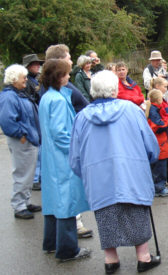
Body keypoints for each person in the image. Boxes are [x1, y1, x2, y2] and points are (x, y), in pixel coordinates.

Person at [69, 70, 161, 274]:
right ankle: (143, 257)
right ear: (114, 89)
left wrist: (85, 174)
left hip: (99, 179)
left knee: (106, 215)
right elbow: (150, 145)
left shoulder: (81, 117)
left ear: (92, 91)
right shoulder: (131, 110)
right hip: (132, 173)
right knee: (136, 211)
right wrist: (150, 160)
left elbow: (75, 158)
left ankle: (111, 260)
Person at [39, 59, 91, 261]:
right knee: (67, 202)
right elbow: (61, 133)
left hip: (50, 156)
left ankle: (51, 243)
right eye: (66, 74)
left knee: (53, 200)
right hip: (62, 157)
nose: (69, 77)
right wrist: (75, 152)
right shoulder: (59, 100)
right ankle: (68, 250)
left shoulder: (47, 97)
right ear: (59, 77)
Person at [0, 64, 41, 219]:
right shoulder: (9, 97)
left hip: (28, 139)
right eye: (23, 77)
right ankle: (19, 205)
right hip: (22, 140)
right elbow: (7, 120)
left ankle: (25, 201)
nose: (25, 79)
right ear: (14, 79)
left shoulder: (18, 94)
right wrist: (22, 135)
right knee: (22, 173)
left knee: (28, 172)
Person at [40, 44, 89, 113]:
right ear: (60, 61)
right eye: (69, 59)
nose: (71, 62)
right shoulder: (61, 86)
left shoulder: (45, 85)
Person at [146, 89, 168, 197]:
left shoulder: (154, 109)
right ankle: (159, 188)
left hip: (159, 141)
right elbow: (158, 126)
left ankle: (159, 185)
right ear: (158, 99)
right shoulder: (153, 111)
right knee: (159, 166)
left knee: (158, 166)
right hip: (159, 142)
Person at [23, 53, 44, 191]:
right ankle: (35, 178)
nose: (37, 66)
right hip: (32, 118)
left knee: (40, 149)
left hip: (38, 116)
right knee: (35, 150)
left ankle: (38, 177)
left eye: (38, 64)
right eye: (34, 64)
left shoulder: (35, 80)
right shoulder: (28, 83)